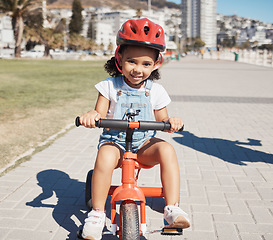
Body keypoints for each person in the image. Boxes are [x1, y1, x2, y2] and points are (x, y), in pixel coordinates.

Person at [79, 18, 190, 240]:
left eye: (146, 64)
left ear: (156, 63)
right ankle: (97, 213)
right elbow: (99, 113)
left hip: (143, 144)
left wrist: (172, 123)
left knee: (167, 150)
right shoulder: (109, 86)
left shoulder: (156, 91)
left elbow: (163, 119)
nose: (138, 69)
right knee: (104, 155)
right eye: (132, 61)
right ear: (119, 57)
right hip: (115, 142)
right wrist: (92, 116)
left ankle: (172, 208)